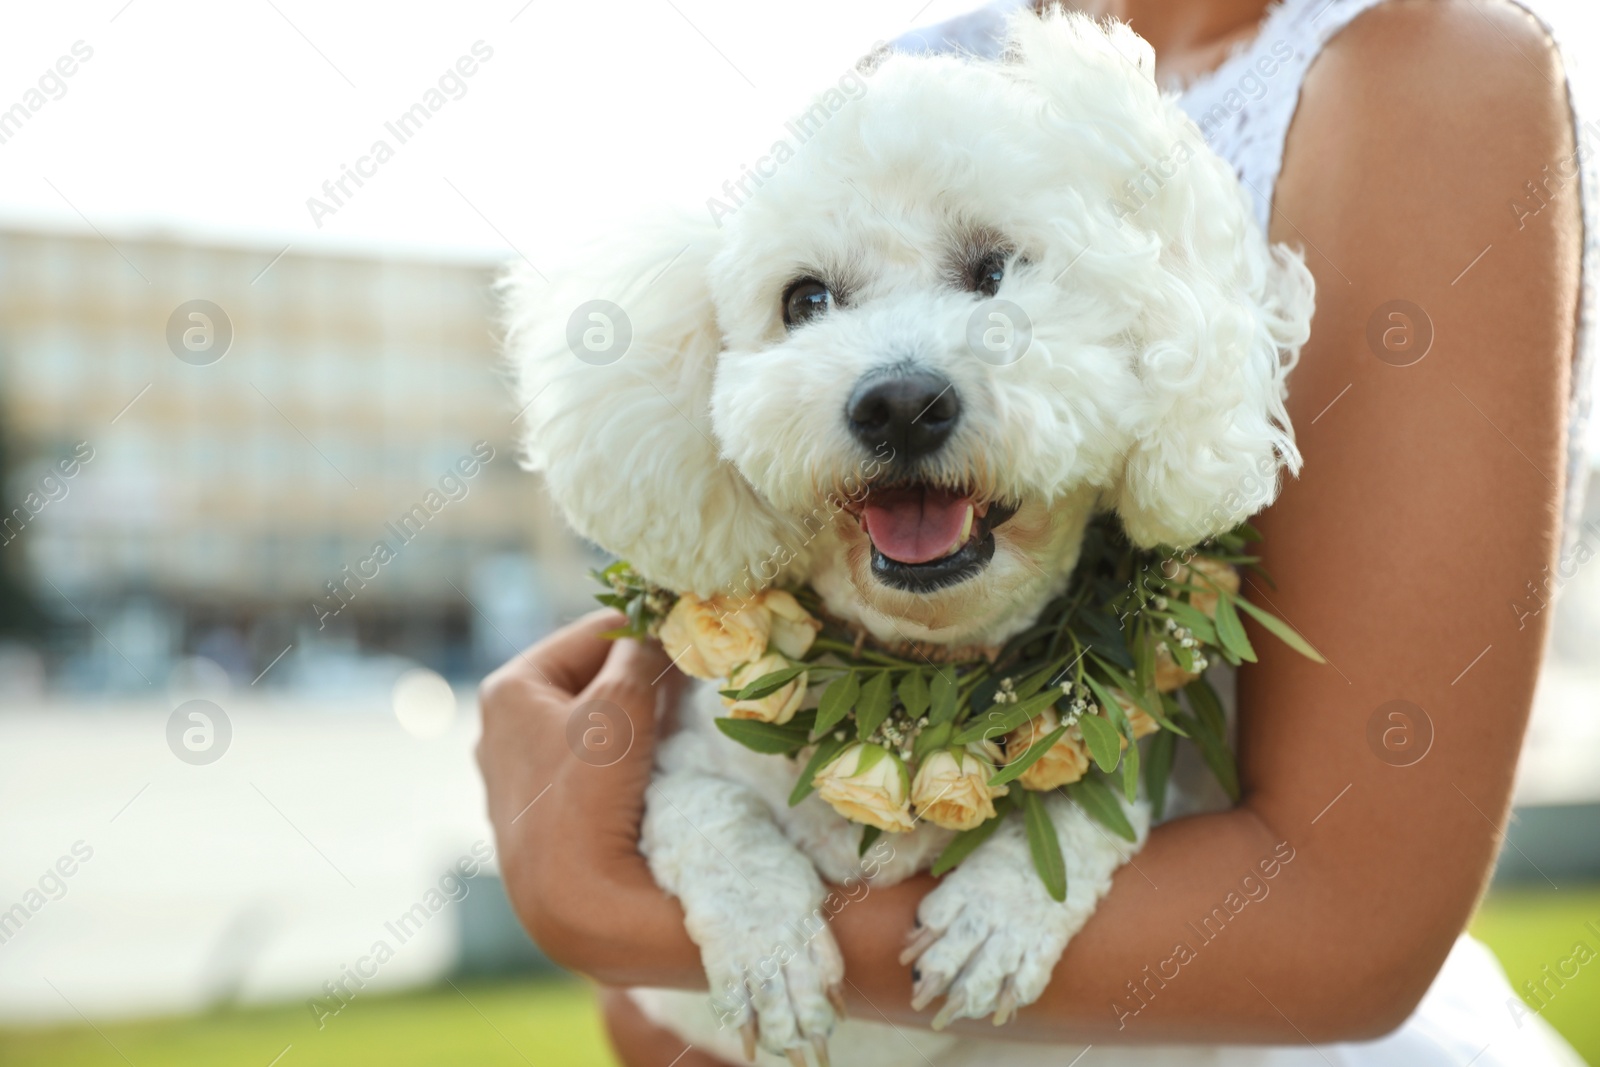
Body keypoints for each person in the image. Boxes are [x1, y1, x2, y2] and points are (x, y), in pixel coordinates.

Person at [477, 0, 1593, 1062]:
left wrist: (606, 907)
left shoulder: (1434, 75)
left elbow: (1349, 928)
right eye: (814, 300)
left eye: (989, 274)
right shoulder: (912, 63)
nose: (892, 386)